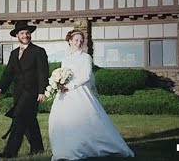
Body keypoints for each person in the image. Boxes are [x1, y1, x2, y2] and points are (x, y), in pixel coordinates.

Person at [48, 29, 135, 161]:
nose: (79, 43)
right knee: (64, 121)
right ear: (70, 41)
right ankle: (67, 148)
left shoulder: (86, 57)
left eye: (81, 41)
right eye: (76, 40)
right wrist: (60, 84)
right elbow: (63, 74)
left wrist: (70, 86)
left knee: (85, 120)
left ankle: (94, 145)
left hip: (80, 92)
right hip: (65, 94)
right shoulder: (65, 59)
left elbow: (86, 76)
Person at [0, 21, 49, 158]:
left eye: (27, 33)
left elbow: (43, 73)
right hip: (18, 92)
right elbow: (8, 73)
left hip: (32, 92)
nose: (25, 35)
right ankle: (37, 148)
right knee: (29, 120)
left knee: (18, 119)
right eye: (22, 33)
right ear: (17, 35)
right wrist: (1, 87)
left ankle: (10, 152)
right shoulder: (13, 53)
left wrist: (42, 91)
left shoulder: (38, 51)